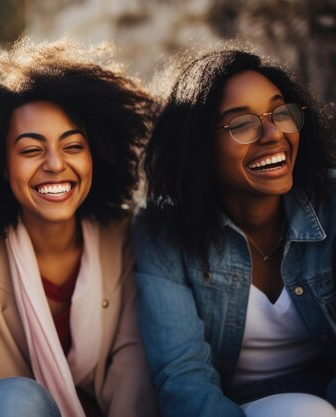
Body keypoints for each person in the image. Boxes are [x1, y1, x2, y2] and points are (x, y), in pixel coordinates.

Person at [0, 37, 159, 417]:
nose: (54, 164)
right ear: (0, 165)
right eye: (32, 150)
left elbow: (132, 374)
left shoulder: (126, 238)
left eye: (73, 146)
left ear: (95, 155)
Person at [133, 47, 336, 417]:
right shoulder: (163, 232)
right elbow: (183, 377)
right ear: (199, 148)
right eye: (242, 124)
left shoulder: (332, 203)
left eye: (280, 113)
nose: (274, 134)